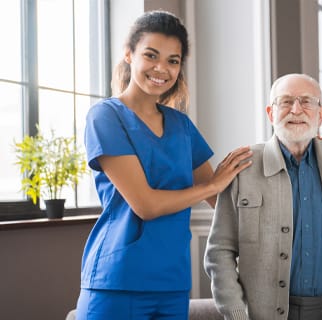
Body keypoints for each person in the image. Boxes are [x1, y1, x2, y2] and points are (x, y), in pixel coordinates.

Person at [76, 10, 252, 320]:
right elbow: (146, 204)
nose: (162, 68)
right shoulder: (105, 116)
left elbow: (222, 201)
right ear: (129, 55)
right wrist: (211, 185)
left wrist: (291, 154)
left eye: (173, 60)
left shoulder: (182, 126)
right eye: (151, 55)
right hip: (118, 280)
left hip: (172, 283)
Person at [204, 73, 322, 320]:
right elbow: (219, 252)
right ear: (271, 113)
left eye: (306, 101)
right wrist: (237, 314)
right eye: (285, 102)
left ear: (321, 114)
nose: (296, 110)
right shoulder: (243, 167)